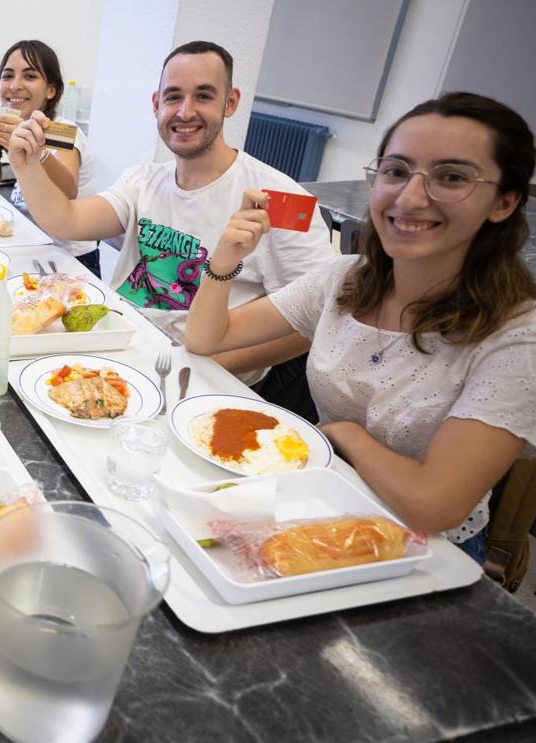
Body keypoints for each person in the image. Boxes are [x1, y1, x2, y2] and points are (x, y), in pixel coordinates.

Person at [183, 92, 536, 561]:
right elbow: (207, 337)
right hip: (321, 501)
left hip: (426, 553)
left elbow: (434, 507)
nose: (410, 198)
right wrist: (226, 256)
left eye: (451, 177)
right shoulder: (345, 278)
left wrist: (346, 434)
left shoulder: (516, 337)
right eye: (395, 171)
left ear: (504, 202)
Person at [7, 40, 335, 414]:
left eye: (204, 96)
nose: (185, 111)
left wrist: (210, 366)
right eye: (173, 96)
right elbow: (66, 221)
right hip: (119, 357)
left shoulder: (275, 198)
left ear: (230, 103)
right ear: (156, 104)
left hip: (204, 387)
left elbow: (311, 322)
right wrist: (26, 164)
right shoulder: (143, 180)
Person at [0, 40, 100, 276]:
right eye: (7, 76)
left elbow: (68, 190)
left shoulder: (62, 130)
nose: (14, 86)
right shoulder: (22, 127)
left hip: (68, 261)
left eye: (30, 76)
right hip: (29, 248)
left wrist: (38, 151)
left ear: (51, 90)